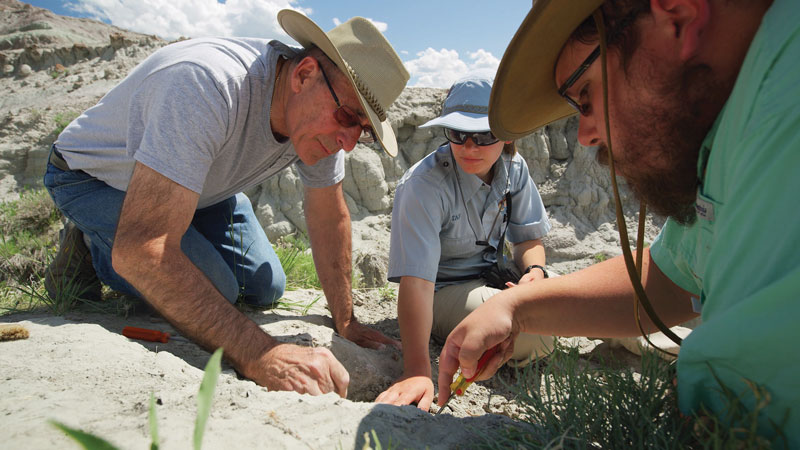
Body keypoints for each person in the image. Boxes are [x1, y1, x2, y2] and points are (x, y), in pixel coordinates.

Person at [437, 0, 799, 444]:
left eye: (584, 95)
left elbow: (753, 400)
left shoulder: (786, 89)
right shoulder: (729, 117)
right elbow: (670, 277)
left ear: (677, 14)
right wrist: (516, 309)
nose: (586, 134)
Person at [43, 10, 410, 397]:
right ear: (304, 75)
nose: (350, 142)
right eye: (349, 117)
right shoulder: (206, 85)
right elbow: (143, 251)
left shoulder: (322, 116)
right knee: (213, 284)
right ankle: (90, 244)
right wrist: (260, 353)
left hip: (200, 188)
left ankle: (168, 219)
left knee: (267, 286)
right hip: (94, 179)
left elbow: (328, 214)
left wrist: (346, 319)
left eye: (363, 130)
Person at [375, 76, 555, 411]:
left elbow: (529, 237)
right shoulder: (424, 186)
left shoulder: (515, 169)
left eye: (484, 135)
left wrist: (535, 271)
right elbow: (416, 284)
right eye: (458, 134)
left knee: (573, 298)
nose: (469, 147)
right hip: (442, 291)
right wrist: (417, 370)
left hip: (493, 277)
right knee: (537, 330)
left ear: (507, 134)